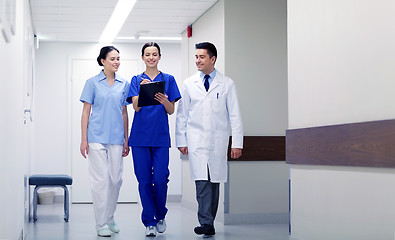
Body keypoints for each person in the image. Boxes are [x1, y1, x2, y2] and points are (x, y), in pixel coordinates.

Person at [175, 42, 243, 236]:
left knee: (214, 183)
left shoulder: (227, 83)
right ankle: (206, 222)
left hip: (217, 140)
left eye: (201, 57)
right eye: (196, 57)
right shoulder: (189, 83)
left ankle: (209, 222)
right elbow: (182, 114)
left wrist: (237, 143)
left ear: (212, 59)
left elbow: (235, 115)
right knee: (202, 182)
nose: (197, 60)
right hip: (196, 141)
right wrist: (181, 140)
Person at [127, 42, 181, 237]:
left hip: (160, 137)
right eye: (147, 54)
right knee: (143, 181)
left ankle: (160, 215)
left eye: (154, 54)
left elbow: (171, 110)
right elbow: (136, 107)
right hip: (140, 138)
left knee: (159, 179)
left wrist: (164, 100)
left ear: (159, 57)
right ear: (142, 57)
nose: (151, 57)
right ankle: (149, 221)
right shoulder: (135, 80)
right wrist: (143, 91)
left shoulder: (169, 79)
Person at [80, 46, 130, 237]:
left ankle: (109, 216)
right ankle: (101, 223)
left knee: (116, 180)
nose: (116, 62)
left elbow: (124, 112)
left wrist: (126, 138)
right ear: (103, 61)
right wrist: (83, 139)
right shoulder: (92, 83)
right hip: (96, 137)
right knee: (100, 181)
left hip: (116, 137)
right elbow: (86, 112)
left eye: (118, 59)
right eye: (112, 59)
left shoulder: (123, 84)